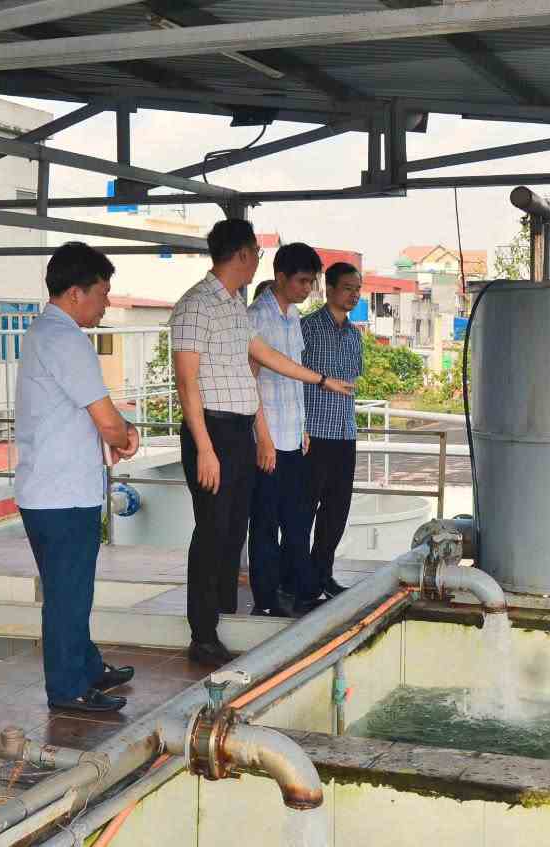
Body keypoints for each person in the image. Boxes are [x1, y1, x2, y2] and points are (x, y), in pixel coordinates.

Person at [170, 220, 353, 668]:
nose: (257, 259)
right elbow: (186, 383)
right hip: (212, 431)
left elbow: (264, 356)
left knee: (233, 530)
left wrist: (321, 380)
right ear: (240, 254)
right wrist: (205, 447)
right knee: (211, 532)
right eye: (254, 250)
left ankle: (223, 613)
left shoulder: (232, 304)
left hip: (237, 430)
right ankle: (203, 631)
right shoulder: (196, 305)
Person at [15, 242, 140, 714]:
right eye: (102, 293)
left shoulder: (44, 332)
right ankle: (68, 687)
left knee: (71, 590)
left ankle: (87, 666)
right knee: (68, 595)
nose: (107, 302)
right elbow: (106, 419)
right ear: (75, 293)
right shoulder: (66, 340)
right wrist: (126, 435)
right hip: (61, 493)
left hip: (49, 489)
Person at [247, 244, 321, 618]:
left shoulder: (293, 317)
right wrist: (264, 437)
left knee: (296, 519)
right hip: (269, 439)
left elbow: (294, 378)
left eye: (311, 281)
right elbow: (251, 383)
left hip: (292, 435)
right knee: (265, 523)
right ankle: (266, 598)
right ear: (281, 277)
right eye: (303, 281)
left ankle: (300, 590)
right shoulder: (257, 317)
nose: (308, 288)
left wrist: (304, 426)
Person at [299, 261, 365, 614]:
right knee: (304, 510)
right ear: (329, 289)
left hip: (344, 433)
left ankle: (323, 574)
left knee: (336, 513)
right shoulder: (307, 329)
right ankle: (300, 582)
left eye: (358, 289)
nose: (354, 295)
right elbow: (291, 378)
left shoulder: (355, 335)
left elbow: (353, 378)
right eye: (348, 288)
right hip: (314, 435)